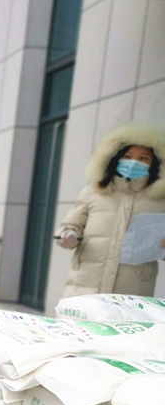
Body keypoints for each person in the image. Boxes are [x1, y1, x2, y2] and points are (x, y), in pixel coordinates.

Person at [57, 122, 165, 298]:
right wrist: (68, 236)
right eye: (128, 156)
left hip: (132, 293)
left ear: (155, 163)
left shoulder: (161, 201)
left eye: (143, 158)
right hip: (85, 287)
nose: (134, 162)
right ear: (115, 158)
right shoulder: (93, 192)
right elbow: (70, 227)